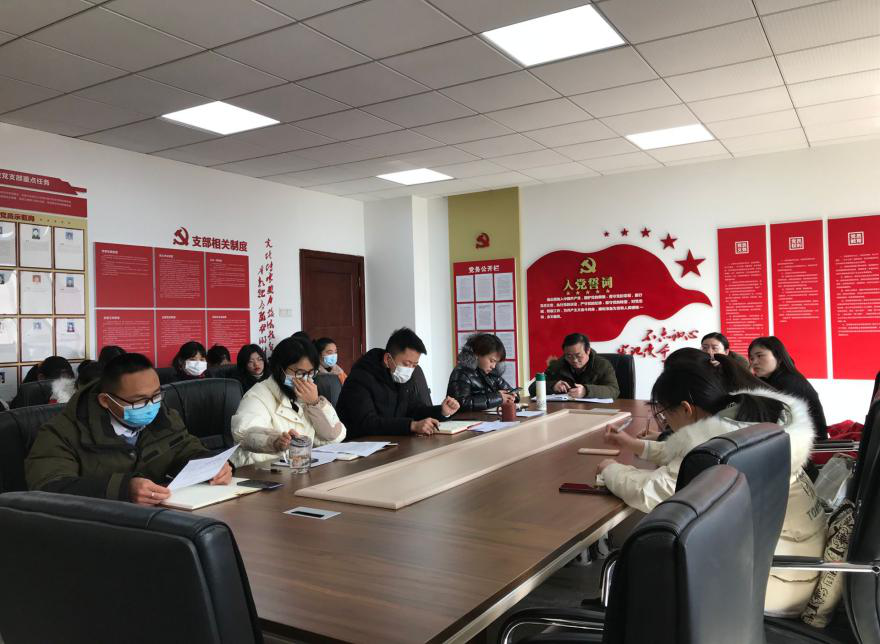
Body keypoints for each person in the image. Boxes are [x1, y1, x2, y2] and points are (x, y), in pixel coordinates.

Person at [598, 352, 823, 617]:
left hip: (773, 583)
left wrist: (610, 470)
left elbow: (654, 492)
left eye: (665, 414)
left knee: (646, 552)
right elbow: (685, 452)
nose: (666, 423)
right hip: (797, 566)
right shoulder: (747, 419)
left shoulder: (718, 446)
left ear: (686, 408)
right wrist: (636, 445)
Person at [25, 353, 231, 504]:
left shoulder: (164, 417)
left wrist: (212, 464)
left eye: (156, 395)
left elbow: (185, 448)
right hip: (98, 532)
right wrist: (123, 490)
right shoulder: (61, 433)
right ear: (106, 401)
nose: (151, 406)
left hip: (162, 520)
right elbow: (50, 487)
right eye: (138, 401)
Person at [231, 338, 345, 467]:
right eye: (300, 373)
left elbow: (335, 437)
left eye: (310, 373)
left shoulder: (308, 396)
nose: (306, 379)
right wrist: (274, 441)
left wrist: (315, 404)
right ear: (280, 369)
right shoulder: (257, 395)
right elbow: (243, 434)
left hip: (298, 468)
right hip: (259, 470)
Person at [336, 327, 459, 438]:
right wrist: (411, 425)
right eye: (406, 364)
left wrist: (441, 411)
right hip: (358, 446)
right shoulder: (360, 378)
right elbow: (367, 422)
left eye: (414, 365)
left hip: (391, 442)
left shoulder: (403, 378)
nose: (409, 369)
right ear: (387, 359)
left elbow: (414, 410)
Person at [749, 336, 828, 440]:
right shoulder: (771, 381)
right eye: (751, 358)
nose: (754, 362)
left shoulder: (788, 382)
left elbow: (767, 419)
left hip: (809, 445)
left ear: (778, 357)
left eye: (760, 356)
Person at [529, 333, 619, 399]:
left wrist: (586, 391)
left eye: (578, 355)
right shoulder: (557, 366)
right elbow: (532, 388)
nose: (574, 360)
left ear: (588, 351)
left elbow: (614, 391)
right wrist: (552, 386)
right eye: (569, 356)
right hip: (565, 411)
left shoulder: (602, 365)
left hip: (594, 411)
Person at [447, 333, 518, 411]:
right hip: (465, 418)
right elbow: (462, 403)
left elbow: (511, 392)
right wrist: (498, 398)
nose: (493, 366)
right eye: (492, 361)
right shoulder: (461, 372)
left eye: (496, 362)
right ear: (477, 354)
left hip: (486, 417)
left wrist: (512, 396)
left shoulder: (491, 372)